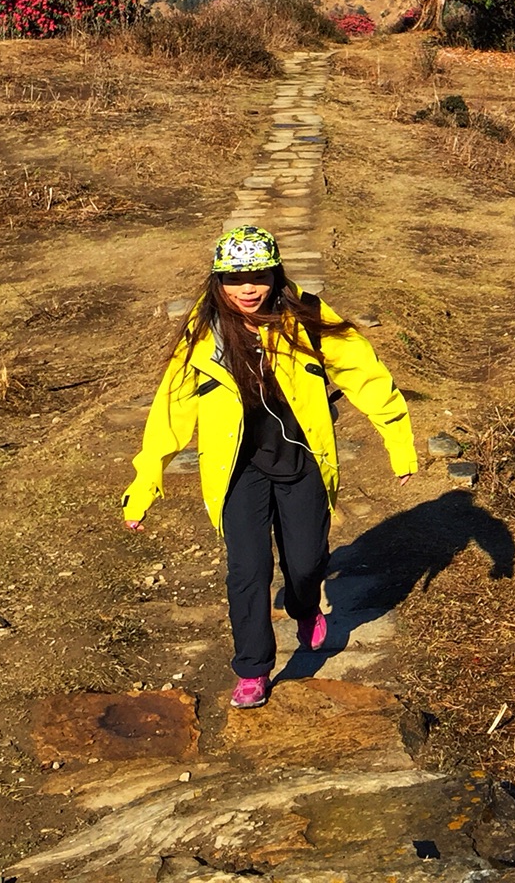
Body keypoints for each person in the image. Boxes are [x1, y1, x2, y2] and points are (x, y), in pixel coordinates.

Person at [121, 225, 419, 708]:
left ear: (275, 274)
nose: (248, 288)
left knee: (305, 563)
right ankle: (253, 669)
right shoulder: (203, 334)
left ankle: (304, 608)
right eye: (235, 277)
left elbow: (366, 374)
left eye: (258, 275)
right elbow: (170, 410)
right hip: (237, 470)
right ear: (218, 281)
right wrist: (146, 481)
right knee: (248, 570)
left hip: (301, 459)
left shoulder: (307, 317)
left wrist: (398, 442)